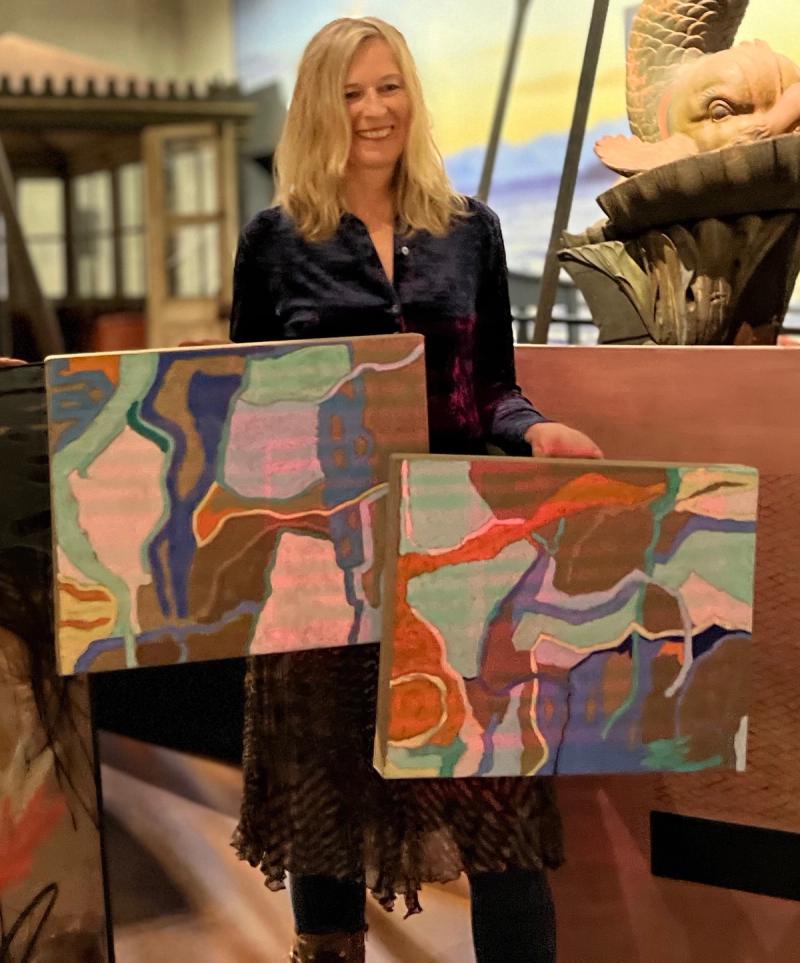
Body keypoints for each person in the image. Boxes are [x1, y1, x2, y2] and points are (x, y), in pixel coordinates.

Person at [229, 17, 602, 963]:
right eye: (351, 92)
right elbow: (247, 406)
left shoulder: (472, 230)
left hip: (460, 553)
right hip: (323, 560)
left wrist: (536, 429)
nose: (373, 109)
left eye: (388, 86)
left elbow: (495, 388)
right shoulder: (273, 242)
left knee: (502, 817)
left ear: (411, 96)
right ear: (318, 108)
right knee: (324, 808)